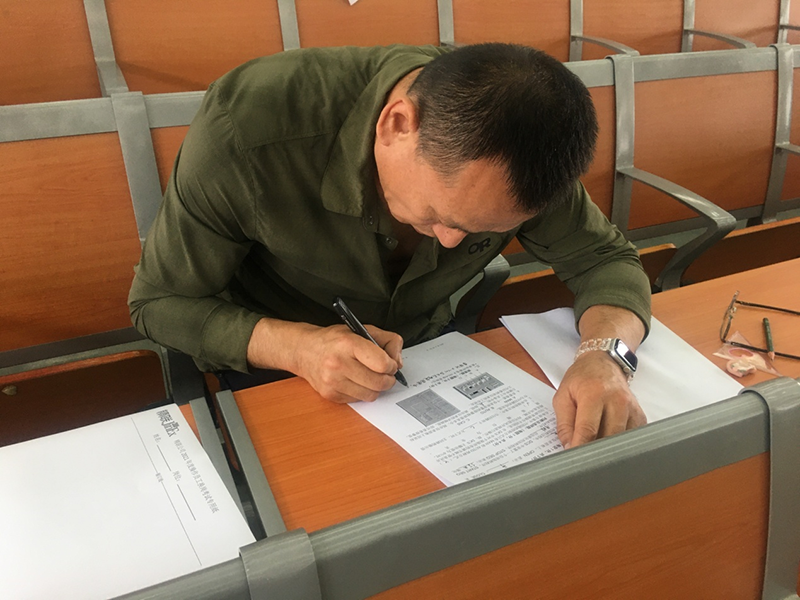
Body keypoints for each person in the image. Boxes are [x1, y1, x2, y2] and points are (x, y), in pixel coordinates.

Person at [129, 43, 651, 449]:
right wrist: (299, 348)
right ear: (396, 125)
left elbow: (604, 260)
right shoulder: (246, 129)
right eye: (440, 216)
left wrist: (606, 356)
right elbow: (158, 302)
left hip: (425, 355)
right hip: (274, 367)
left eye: (481, 231)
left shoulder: (525, 147)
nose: (452, 240)